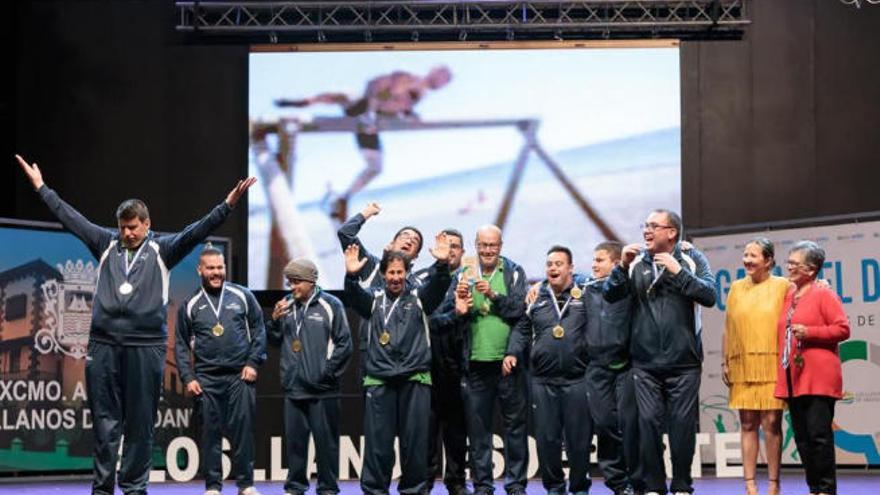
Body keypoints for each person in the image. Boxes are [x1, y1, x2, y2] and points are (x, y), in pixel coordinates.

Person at [14, 154, 255, 495]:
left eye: (133, 227)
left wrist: (227, 206)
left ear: (146, 223)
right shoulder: (105, 243)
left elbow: (196, 230)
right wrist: (42, 188)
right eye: (123, 227)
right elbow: (72, 219)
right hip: (104, 345)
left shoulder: (163, 248)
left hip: (146, 346)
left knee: (141, 423)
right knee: (105, 422)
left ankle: (134, 488)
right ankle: (102, 488)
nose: (127, 233)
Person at [603, 209, 716, 495]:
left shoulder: (691, 258)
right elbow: (610, 293)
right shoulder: (636, 263)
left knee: (681, 428)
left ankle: (681, 485)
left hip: (685, 363)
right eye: (645, 225)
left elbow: (709, 295)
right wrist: (620, 267)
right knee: (648, 426)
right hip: (645, 364)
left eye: (654, 226)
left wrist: (679, 273)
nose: (646, 231)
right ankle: (654, 486)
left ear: (672, 232)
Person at [343, 235, 451, 495]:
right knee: (378, 446)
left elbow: (438, 286)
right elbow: (353, 295)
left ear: (406, 273)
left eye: (399, 272)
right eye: (390, 272)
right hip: (379, 381)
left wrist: (442, 264)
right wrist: (351, 275)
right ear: (383, 274)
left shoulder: (419, 299)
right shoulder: (373, 301)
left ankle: (413, 491)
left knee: (414, 445)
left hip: (415, 381)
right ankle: (375, 491)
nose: (395, 277)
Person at [277, 66, 453, 221]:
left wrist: (409, 115)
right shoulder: (406, 76)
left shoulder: (419, 96)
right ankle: (307, 101)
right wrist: (370, 111)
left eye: (445, 82)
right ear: (433, 70)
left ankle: (344, 198)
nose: (442, 82)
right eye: (442, 76)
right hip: (362, 108)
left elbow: (399, 108)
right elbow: (373, 85)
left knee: (375, 167)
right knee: (345, 95)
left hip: (372, 126)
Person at [174, 247, 267, 495]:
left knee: (244, 431)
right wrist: (188, 376)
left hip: (240, 376)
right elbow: (181, 344)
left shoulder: (243, 296)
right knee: (209, 433)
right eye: (211, 268)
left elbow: (259, 331)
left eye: (220, 267)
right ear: (200, 270)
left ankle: (246, 484)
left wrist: (253, 362)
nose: (216, 273)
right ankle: (213, 486)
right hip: (206, 378)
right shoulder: (190, 304)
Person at [448, 224, 529, 495]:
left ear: (501, 246)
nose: (487, 250)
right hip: (474, 365)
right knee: (478, 431)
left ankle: (516, 485)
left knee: (515, 429)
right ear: (475, 245)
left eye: (492, 245)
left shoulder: (514, 271)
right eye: (482, 245)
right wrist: (460, 309)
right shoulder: (463, 273)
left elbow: (519, 313)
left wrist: (493, 295)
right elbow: (450, 314)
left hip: (508, 366)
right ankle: (483, 485)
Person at [503, 246, 591, 495]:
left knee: (579, 441)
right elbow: (521, 329)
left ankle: (579, 488)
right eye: (549, 264)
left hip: (577, 379)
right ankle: (554, 488)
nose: (553, 268)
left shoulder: (583, 293)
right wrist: (512, 352)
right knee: (547, 440)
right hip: (543, 381)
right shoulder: (536, 297)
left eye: (559, 264)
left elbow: (597, 281)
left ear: (571, 268)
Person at [267, 258, 353, 495]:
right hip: (294, 389)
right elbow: (274, 341)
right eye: (289, 282)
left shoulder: (331, 305)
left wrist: (325, 375)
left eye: (296, 282)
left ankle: (327, 488)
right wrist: (273, 320)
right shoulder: (285, 305)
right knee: (295, 445)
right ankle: (295, 486)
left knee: (326, 446)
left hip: (323, 391)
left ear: (310, 281)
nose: (292, 287)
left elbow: (344, 345)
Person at [774, 241, 849, 495]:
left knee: (818, 437)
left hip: (818, 377)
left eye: (795, 263)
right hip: (794, 377)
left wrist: (810, 332)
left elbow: (842, 329)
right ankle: (814, 488)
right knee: (803, 440)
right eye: (789, 262)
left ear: (811, 269)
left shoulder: (823, 294)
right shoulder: (789, 295)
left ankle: (826, 489)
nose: (789, 267)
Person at [721, 238, 788, 495]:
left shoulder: (783, 286)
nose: (747, 260)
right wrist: (726, 360)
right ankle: (749, 484)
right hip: (743, 364)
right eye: (745, 254)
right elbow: (728, 327)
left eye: (753, 256)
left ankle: (773, 484)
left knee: (772, 423)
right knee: (747, 423)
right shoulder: (736, 288)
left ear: (769, 261)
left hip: (771, 363)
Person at [583, 241, 638, 495]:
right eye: (593, 260)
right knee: (604, 423)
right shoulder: (584, 289)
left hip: (627, 366)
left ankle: (637, 480)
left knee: (630, 424)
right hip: (597, 368)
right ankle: (617, 482)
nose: (594, 265)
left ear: (616, 264)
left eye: (600, 260)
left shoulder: (629, 287)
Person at [422, 229, 470, 495]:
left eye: (456, 246)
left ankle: (456, 482)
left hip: (459, 363)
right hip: (429, 364)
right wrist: (455, 314)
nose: (451, 250)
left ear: (462, 252)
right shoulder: (425, 278)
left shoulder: (471, 279)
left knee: (456, 431)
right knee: (427, 431)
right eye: (446, 245)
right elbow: (427, 321)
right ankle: (426, 481)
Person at [337, 201, 424, 289]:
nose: (409, 241)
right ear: (391, 244)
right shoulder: (371, 265)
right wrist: (368, 212)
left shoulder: (417, 285)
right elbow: (345, 233)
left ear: (415, 256)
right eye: (404, 236)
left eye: (415, 241)